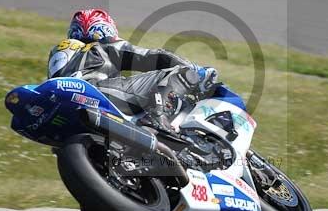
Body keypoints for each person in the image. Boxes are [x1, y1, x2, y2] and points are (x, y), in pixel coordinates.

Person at [47, 8, 217, 130]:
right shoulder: (103, 46)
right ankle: (158, 116)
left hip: (65, 107)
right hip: (100, 92)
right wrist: (195, 71)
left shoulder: (60, 53)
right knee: (182, 72)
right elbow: (154, 57)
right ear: (105, 29)